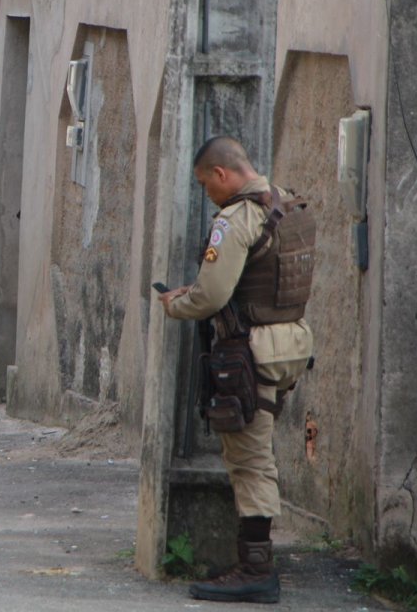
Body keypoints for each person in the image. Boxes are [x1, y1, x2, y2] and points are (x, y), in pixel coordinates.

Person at [159, 135, 315, 605]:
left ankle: (256, 569)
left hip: (251, 352)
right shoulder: (289, 205)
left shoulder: (237, 218)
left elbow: (210, 296)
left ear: (222, 174)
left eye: (207, 184)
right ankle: (252, 562)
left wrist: (175, 304)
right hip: (290, 343)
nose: (208, 193)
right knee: (257, 449)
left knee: (249, 459)